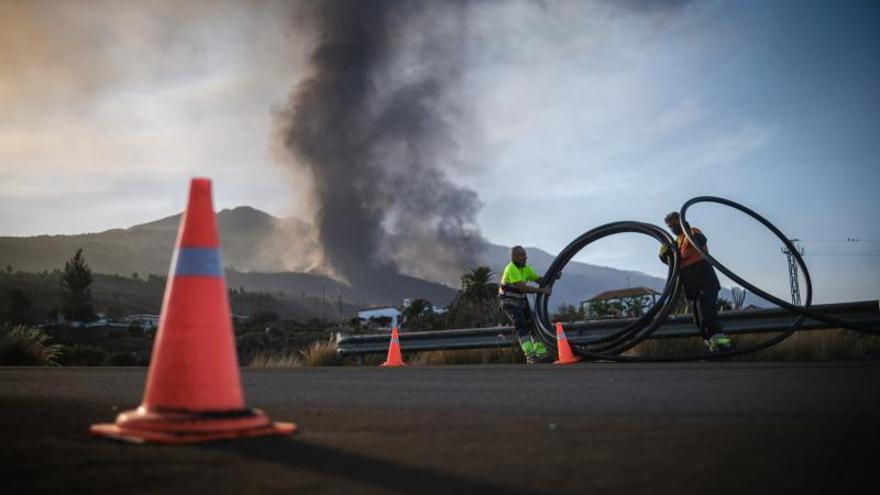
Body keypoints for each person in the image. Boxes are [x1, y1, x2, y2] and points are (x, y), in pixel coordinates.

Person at [659, 212, 733, 352]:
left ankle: (724, 345)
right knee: (699, 320)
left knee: (707, 314)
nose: (673, 228)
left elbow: (700, 241)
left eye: (674, 224)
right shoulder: (677, 242)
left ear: (681, 221)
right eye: (670, 226)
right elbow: (673, 262)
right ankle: (714, 347)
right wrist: (664, 253)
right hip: (692, 285)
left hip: (704, 280)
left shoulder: (692, 231)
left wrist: (681, 247)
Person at [499, 245, 557, 364]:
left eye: (525, 255)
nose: (525, 257)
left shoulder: (526, 268)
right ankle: (530, 356)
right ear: (514, 257)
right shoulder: (511, 268)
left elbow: (540, 280)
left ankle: (541, 354)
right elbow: (522, 287)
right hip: (509, 303)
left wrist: (554, 275)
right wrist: (542, 291)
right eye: (522, 255)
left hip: (521, 302)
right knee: (522, 325)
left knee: (535, 325)